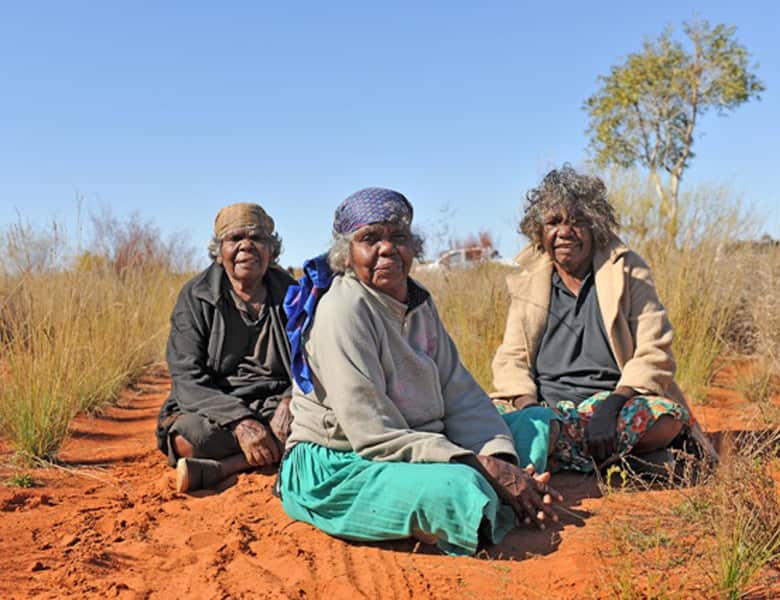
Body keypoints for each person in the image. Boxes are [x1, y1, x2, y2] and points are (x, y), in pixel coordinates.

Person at [278, 187, 563, 556]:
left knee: (537, 422)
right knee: (459, 490)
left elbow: (461, 395)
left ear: (413, 247)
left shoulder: (418, 301)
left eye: (398, 237)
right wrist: (484, 469)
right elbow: (373, 434)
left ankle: (504, 493)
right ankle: (493, 500)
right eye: (370, 239)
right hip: (344, 463)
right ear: (347, 255)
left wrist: (501, 461)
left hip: (420, 442)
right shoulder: (343, 309)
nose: (387, 248)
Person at [491, 165, 716, 476]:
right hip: (546, 408)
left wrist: (611, 407)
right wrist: (532, 413)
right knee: (484, 419)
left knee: (663, 419)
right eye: (553, 222)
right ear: (539, 231)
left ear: (595, 226)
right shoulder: (530, 282)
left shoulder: (627, 270)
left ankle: (559, 455)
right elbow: (511, 359)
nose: (564, 232)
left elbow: (655, 350)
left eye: (577, 221)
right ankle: (627, 462)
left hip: (614, 404)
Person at [156, 203, 296, 492]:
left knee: (325, 420)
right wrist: (240, 421)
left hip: (277, 402)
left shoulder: (291, 293)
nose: (246, 246)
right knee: (188, 440)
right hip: (218, 404)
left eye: (257, 238)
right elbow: (186, 378)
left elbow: (314, 361)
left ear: (271, 250)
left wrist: (289, 401)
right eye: (235, 239)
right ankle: (280, 449)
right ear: (219, 252)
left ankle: (225, 467)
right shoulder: (196, 296)